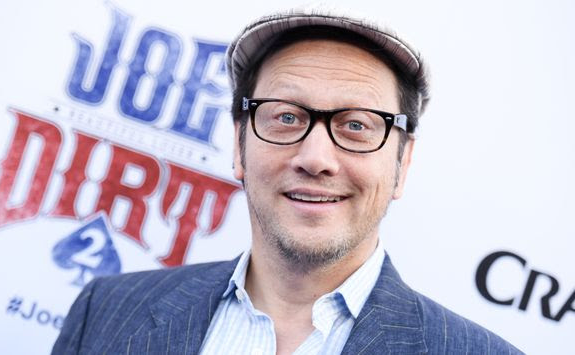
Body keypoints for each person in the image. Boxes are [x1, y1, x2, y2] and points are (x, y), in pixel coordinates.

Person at [53, 5, 524, 354]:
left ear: (402, 163)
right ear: (240, 143)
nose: (316, 158)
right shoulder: (106, 312)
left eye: (356, 125)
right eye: (285, 117)